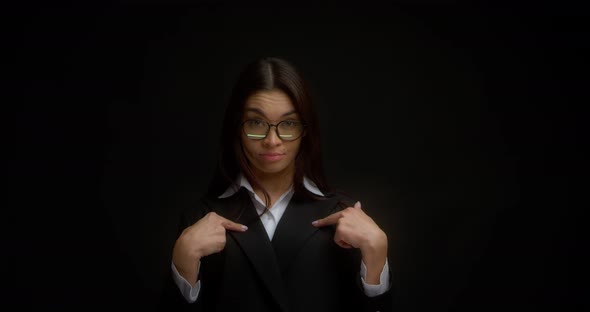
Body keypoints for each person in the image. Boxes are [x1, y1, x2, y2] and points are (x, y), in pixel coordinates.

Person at [158, 57, 393, 311]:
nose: (272, 140)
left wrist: (377, 257)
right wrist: (182, 265)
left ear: (306, 130)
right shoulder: (197, 220)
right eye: (256, 123)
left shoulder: (346, 219)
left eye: (289, 124)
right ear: (237, 127)